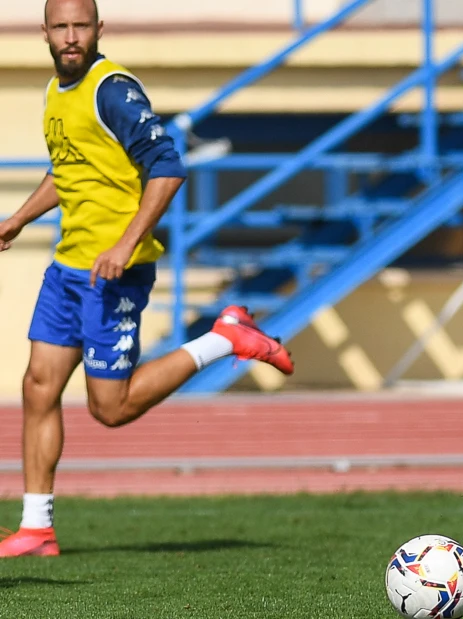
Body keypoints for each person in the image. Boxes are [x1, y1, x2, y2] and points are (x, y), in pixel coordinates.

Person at [0, 0, 294, 557]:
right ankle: (37, 528)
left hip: (116, 272)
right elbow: (69, 171)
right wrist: (17, 218)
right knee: (38, 387)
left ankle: (224, 339)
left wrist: (125, 242)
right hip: (69, 267)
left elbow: (168, 166)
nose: (70, 37)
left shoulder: (113, 89)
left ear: (97, 29)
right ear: (43, 32)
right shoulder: (54, 91)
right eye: (60, 27)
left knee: (111, 408)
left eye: (80, 26)